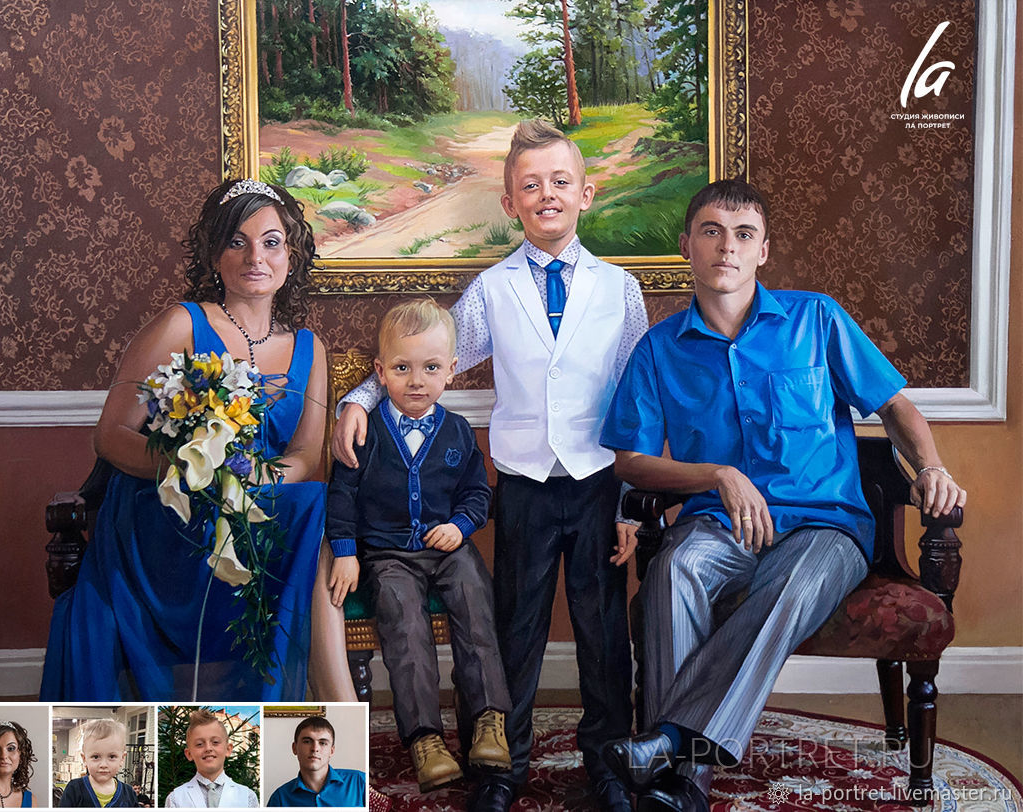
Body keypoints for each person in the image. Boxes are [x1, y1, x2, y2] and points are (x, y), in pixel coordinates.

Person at [599, 179, 968, 812]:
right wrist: (718, 475)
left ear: (763, 250)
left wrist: (931, 466)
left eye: (744, 234)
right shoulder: (658, 349)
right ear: (686, 245)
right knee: (673, 568)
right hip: (717, 525)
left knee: (794, 578)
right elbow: (630, 461)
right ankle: (686, 788)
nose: (727, 247)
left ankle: (668, 745)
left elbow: (895, 407)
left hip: (827, 526)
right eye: (712, 232)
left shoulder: (816, 318)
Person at [332, 120, 649, 812]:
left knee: (602, 630)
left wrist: (630, 503)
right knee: (514, 629)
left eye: (560, 181)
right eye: (530, 186)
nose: (546, 195)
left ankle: (606, 762)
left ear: (586, 193)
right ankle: (504, 765)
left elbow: (637, 400)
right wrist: (358, 399)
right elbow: (428, 357)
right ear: (510, 203)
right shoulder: (491, 289)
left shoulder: (620, 288)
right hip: (524, 484)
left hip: (597, 482)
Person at [39, 177, 356, 702]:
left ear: (292, 256)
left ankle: (332, 705)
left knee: (314, 505)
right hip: (171, 513)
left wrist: (255, 478)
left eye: (271, 242)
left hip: (257, 504)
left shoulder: (310, 347)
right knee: (311, 512)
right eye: (237, 242)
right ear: (213, 255)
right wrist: (190, 470)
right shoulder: (181, 324)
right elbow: (110, 436)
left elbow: (304, 455)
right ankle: (339, 708)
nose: (256, 257)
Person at [326, 298, 511, 793]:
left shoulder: (457, 431)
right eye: (402, 368)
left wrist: (461, 525)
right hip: (388, 556)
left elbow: (476, 492)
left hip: (448, 549)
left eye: (431, 368)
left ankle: (488, 720)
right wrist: (345, 551)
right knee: (404, 623)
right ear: (380, 372)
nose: (416, 381)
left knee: (476, 600)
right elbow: (340, 495)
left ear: (451, 370)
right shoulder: (365, 431)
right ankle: (425, 738)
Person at [164, 710, 258, 808]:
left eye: (215, 742)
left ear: (228, 749)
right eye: (199, 744)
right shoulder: (175, 799)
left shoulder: (248, 797)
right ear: (189, 754)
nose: (208, 748)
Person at [267, 716, 366, 807]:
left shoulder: (360, 782)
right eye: (307, 741)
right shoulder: (280, 798)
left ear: (331, 751)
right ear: (294, 748)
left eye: (323, 743)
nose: (315, 748)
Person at [57, 719, 137, 807]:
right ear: (84, 759)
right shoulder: (74, 789)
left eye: (112, 757)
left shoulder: (129, 794)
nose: (103, 765)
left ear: (122, 758)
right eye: (96, 757)